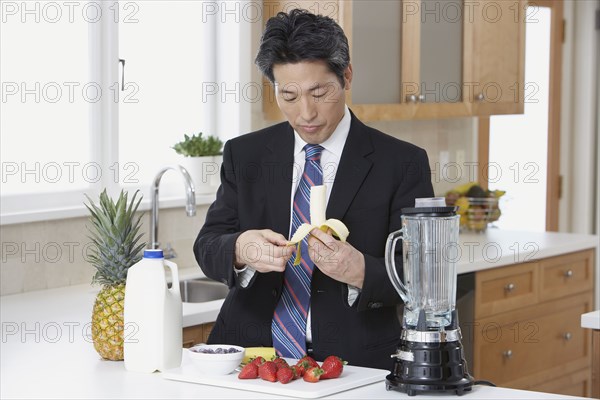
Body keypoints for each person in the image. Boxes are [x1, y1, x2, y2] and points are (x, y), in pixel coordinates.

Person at [193, 8, 433, 371]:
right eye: (288, 96)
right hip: (251, 361)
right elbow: (208, 244)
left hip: (355, 365)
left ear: (346, 77)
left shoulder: (402, 163)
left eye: (319, 92)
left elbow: (422, 275)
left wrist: (360, 271)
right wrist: (240, 248)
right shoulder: (246, 154)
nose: (306, 113)